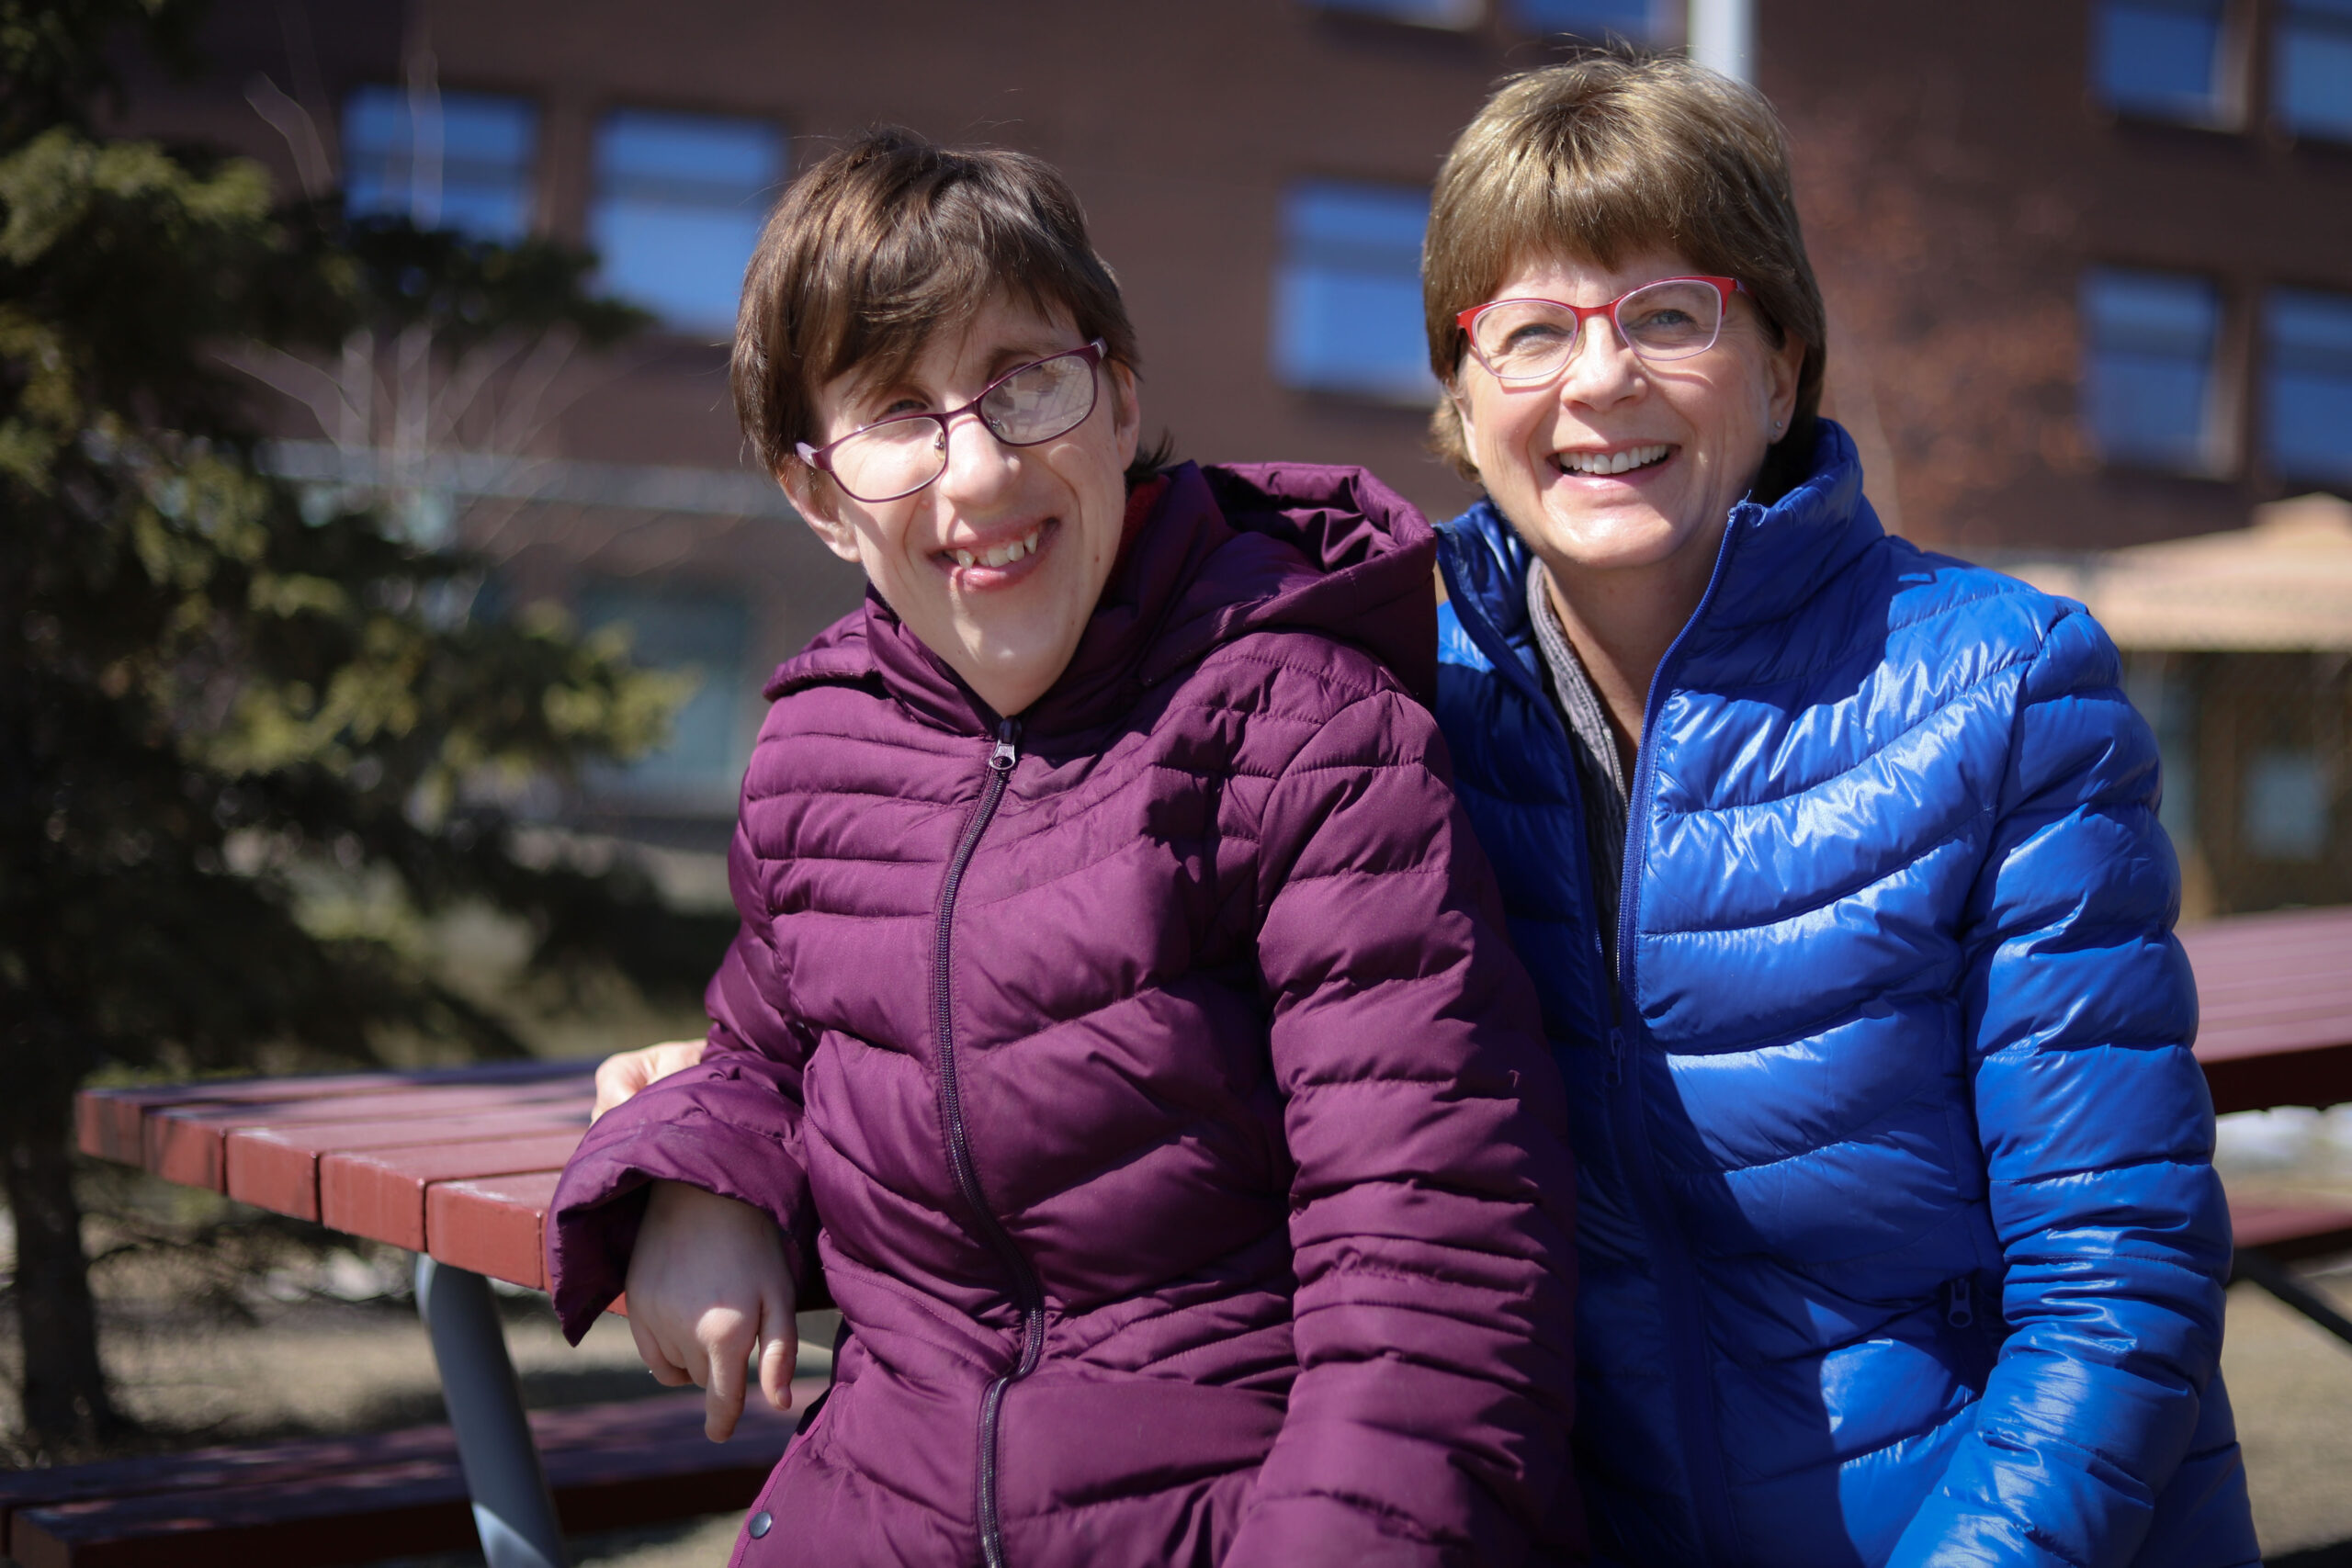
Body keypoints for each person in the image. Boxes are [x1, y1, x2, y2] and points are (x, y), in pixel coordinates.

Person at [546, 129, 1581, 1568]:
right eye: (898, 415)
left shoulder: (1304, 734)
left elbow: (1436, 1268)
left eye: (1024, 383)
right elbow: (767, 1048)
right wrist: (690, 1181)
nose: (976, 473)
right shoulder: (819, 758)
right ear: (817, 497)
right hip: (872, 1517)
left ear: (1119, 399)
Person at [1421, 51, 2259, 1568]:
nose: (1600, 380)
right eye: (1532, 331)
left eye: (1671, 315)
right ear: (1463, 402)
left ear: (1784, 365)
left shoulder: (2003, 687)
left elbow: (2117, 1276)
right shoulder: (1396, 718)